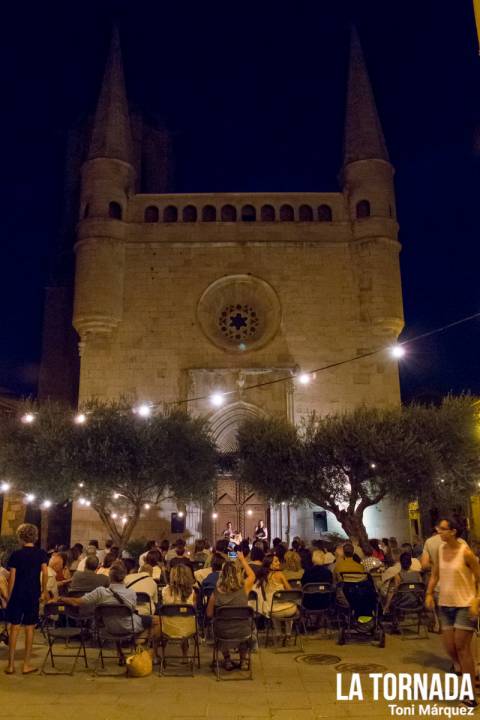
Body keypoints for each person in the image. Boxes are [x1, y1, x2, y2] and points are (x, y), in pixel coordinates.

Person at [426, 518, 480, 709]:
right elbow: (435, 574)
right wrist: (429, 593)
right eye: (438, 527)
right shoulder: (441, 550)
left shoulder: (466, 552)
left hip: (465, 605)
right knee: (450, 648)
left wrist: (476, 600)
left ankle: (470, 696)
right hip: (445, 605)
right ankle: (473, 675)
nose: (438, 531)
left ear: (454, 531)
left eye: (442, 529)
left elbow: (479, 577)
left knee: (462, 647)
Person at [60, 560, 160, 658]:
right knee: (157, 621)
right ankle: (143, 646)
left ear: (110, 577)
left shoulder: (100, 592)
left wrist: (61, 598)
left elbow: (77, 601)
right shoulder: (131, 593)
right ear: (124, 577)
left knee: (114, 617)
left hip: (108, 628)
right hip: (129, 627)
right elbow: (133, 610)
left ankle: (121, 652)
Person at [4, 523, 49, 674]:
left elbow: (12, 578)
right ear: (35, 537)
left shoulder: (16, 555)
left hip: (17, 593)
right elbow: (45, 573)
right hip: (32, 593)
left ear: (20, 537)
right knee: (30, 628)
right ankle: (26, 664)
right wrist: (43, 590)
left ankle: (10, 665)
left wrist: (9, 597)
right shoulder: (41, 553)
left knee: (14, 628)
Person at [207, 551, 256, 670]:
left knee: (219, 625)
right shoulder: (244, 588)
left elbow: (209, 614)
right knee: (245, 626)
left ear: (222, 574)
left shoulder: (216, 593)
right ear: (238, 573)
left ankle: (227, 659)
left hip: (223, 632)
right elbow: (252, 576)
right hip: (243, 631)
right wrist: (242, 559)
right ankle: (243, 661)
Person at [256, 555, 297, 644]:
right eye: (276, 561)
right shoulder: (280, 575)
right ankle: (288, 633)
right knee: (290, 603)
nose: (279, 563)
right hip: (286, 610)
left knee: (273, 605)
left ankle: (278, 634)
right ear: (270, 565)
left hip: (270, 611)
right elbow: (289, 590)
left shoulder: (262, 576)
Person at [161, 564, 197, 662]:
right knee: (184, 620)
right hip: (188, 629)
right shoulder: (192, 592)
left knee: (157, 622)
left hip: (168, 628)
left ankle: (159, 655)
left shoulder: (165, 591)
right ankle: (185, 656)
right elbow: (194, 611)